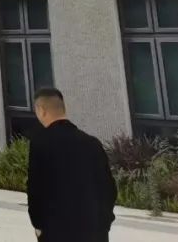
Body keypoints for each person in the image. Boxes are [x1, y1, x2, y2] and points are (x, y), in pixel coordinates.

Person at [27, 88, 116, 242]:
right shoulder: (92, 143)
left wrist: (39, 225)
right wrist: (104, 223)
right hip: (94, 231)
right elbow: (109, 188)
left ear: (41, 110)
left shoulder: (41, 143)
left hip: (56, 231)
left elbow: (36, 189)